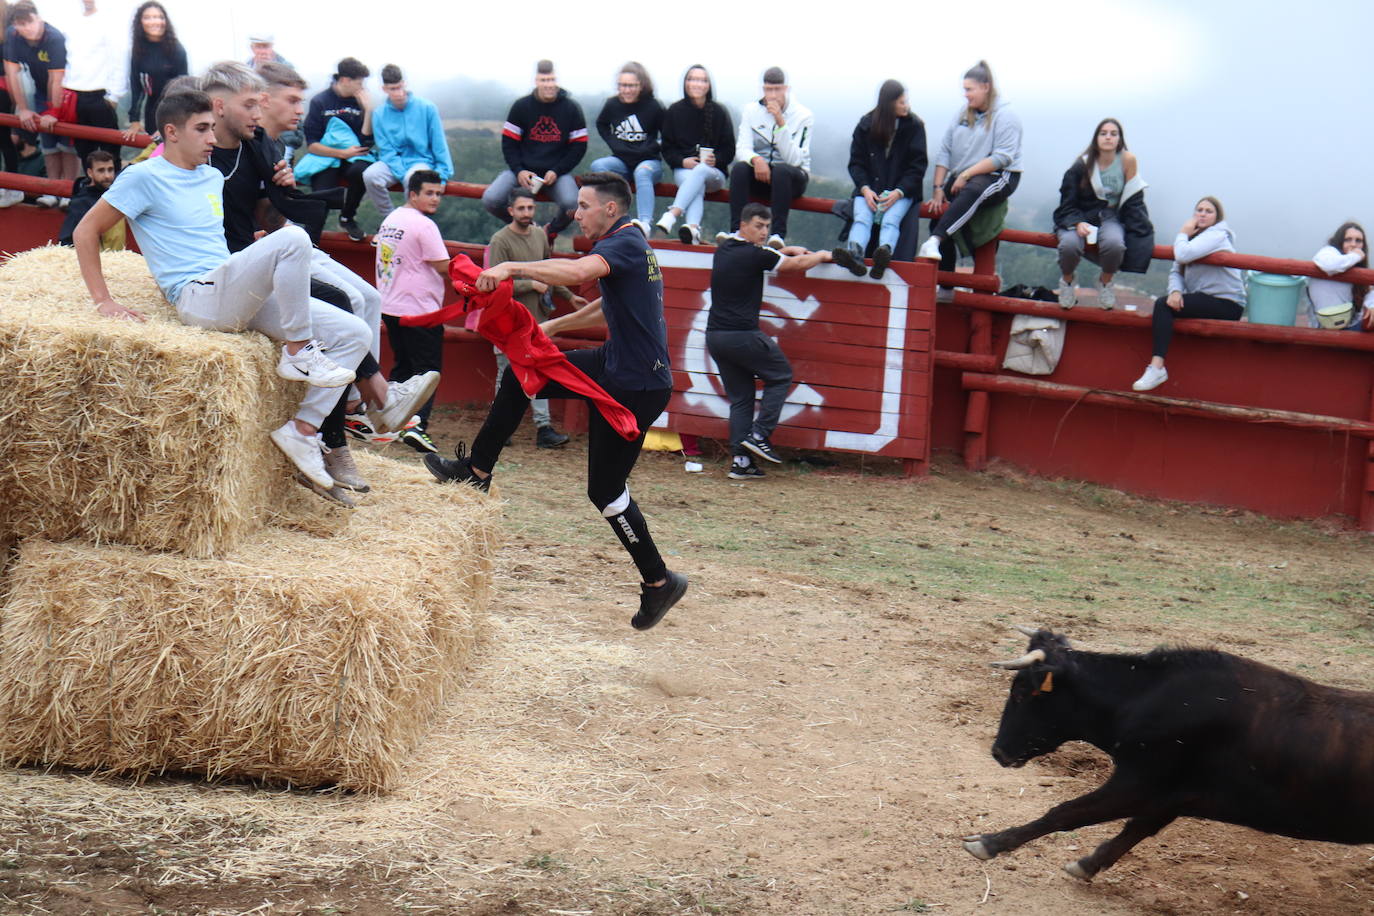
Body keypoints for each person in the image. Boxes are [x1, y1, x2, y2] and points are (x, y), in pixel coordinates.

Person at [72, 89, 370, 495]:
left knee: (356, 333)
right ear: (172, 132)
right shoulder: (143, 177)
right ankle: (299, 351)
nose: (212, 137)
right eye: (202, 129)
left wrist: (266, 233)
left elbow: (218, 239)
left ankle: (303, 429)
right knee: (296, 238)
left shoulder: (212, 175)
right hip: (197, 298)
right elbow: (85, 230)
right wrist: (103, 301)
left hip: (229, 289)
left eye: (213, 127)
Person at [429, 172, 688, 630]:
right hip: (617, 367)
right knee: (521, 374)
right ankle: (477, 472)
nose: (576, 212)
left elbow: (578, 273)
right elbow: (611, 305)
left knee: (605, 490)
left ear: (610, 208)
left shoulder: (623, 244)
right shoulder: (630, 244)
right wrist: (553, 328)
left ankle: (659, 582)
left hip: (635, 385)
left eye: (584, 205)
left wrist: (511, 268)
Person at [251, 61, 431, 481]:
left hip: (287, 241)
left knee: (370, 297)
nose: (301, 108)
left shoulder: (274, 148)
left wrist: (284, 192)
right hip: (265, 251)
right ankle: (354, 415)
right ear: (263, 100)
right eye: (293, 100)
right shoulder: (252, 146)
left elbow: (273, 212)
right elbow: (250, 217)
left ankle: (354, 399)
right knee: (344, 303)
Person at [709, 202, 832, 480]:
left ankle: (741, 462)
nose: (763, 231)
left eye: (766, 227)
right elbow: (796, 264)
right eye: (758, 226)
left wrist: (783, 251)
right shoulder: (755, 255)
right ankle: (760, 434)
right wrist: (823, 255)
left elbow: (767, 256)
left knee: (741, 399)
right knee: (781, 375)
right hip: (742, 335)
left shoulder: (724, 250)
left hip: (715, 337)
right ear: (743, 226)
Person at [487, 187, 583, 449]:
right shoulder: (500, 240)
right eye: (521, 208)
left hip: (537, 318)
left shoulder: (540, 235)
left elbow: (549, 271)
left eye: (530, 208)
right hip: (507, 320)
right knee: (506, 373)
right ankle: (500, 427)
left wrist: (569, 297)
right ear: (510, 211)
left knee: (538, 368)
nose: (527, 213)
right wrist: (531, 284)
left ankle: (543, 428)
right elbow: (495, 283)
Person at [919, 61, 1023, 301]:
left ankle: (935, 241)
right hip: (965, 172)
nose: (966, 95)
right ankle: (944, 284)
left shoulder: (1007, 115)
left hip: (999, 175)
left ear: (985, 87)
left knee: (973, 192)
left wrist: (966, 175)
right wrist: (937, 188)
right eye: (964, 90)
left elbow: (1002, 157)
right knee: (939, 211)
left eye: (970, 89)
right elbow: (945, 149)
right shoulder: (962, 114)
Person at [1131, 197, 1244, 391]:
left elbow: (1182, 254)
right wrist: (1175, 292)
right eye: (1199, 210)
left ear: (1217, 218)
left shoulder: (1217, 235)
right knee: (1166, 304)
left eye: (1209, 211)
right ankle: (1156, 368)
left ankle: (1157, 368)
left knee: (1161, 305)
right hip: (1205, 298)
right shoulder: (1194, 238)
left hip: (1227, 302)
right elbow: (1177, 269)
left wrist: (1183, 232)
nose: (1202, 213)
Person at [375, 169, 452, 453]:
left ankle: (387, 422)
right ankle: (416, 426)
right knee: (427, 372)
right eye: (429, 193)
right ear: (413, 194)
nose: (435, 199)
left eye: (438, 194)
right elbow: (443, 265)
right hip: (420, 308)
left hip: (391, 305)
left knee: (403, 366)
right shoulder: (424, 225)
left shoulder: (391, 219)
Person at [1052, 118, 1153, 309]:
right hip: (1080, 213)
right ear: (1096, 138)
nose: (1108, 137)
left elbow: (1133, 196)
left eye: (1113, 134)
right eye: (1103, 133)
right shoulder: (1081, 165)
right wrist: (1077, 222)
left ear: (1120, 139)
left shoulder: (1127, 160)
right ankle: (1067, 281)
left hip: (1110, 216)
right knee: (1069, 244)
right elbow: (1067, 200)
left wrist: (1140, 229)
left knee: (1115, 244)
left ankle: (1105, 282)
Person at [481, 59, 586, 241]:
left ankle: (550, 231)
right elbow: (509, 143)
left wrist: (557, 170)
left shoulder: (571, 108)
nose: (549, 85)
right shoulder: (521, 106)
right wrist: (519, 170)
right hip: (522, 170)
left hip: (556, 173)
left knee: (572, 204)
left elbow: (579, 146)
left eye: (552, 80)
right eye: (544, 81)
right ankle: (528, 228)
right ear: (536, 82)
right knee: (491, 199)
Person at [832, 79, 926, 281]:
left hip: (902, 192)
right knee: (862, 218)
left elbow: (917, 167)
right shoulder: (866, 126)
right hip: (869, 189)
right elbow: (856, 163)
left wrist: (899, 192)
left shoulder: (914, 127)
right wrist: (865, 189)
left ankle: (884, 253)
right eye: (901, 102)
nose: (906, 106)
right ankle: (854, 254)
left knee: (891, 221)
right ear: (889, 103)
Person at [725, 67, 812, 249]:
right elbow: (742, 148)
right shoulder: (751, 110)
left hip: (792, 177)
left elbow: (794, 160)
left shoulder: (803, 116)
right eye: (768, 90)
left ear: (786, 89)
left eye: (777, 90)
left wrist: (780, 122)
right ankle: (737, 231)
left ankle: (778, 235)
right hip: (761, 174)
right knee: (740, 169)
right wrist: (757, 160)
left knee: (781, 171)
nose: (772, 95)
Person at [655, 64, 734, 246]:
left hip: (714, 174)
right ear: (685, 83)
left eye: (702, 80)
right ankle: (693, 229)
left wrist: (717, 159)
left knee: (699, 172)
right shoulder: (674, 111)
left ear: (708, 85)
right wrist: (682, 161)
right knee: (694, 181)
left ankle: (672, 214)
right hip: (684, 169)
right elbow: (667, 148)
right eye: (692, 79)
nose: (697, 84)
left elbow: (730, 150)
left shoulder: (719, 112)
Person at [362, 63, 452, 222]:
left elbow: (439, 144)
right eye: (393, 89)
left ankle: (412, 224)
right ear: (385, 89)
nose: (398, 93)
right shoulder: (379, 114)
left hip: (422, 161)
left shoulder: (427, 108)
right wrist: (401, 172)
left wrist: (442, 176)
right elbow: (386, 149)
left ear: (404, 83)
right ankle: (391, 221)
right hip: (393, 163)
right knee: (370, 175)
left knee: (413, 180)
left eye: (399, 87)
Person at [3, 1, 78, 189]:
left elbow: (57, 79)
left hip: (68, 92)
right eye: (21, 24)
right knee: (48, 143)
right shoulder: (13, 35)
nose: (27, 28)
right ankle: (51, 189)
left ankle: (67, 189)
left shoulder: (54, 37)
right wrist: (23, 109)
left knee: (66, 143)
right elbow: (12, 73)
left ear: (39, 18)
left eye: (30, 22)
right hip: (41, 90)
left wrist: (54, 110)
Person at [300, 56, 374, 242]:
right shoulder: (320, 101)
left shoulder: (359, 101)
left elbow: (366, 142)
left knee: (362, 172)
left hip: (353, 159)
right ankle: (309, 244)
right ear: (344, 80)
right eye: (359, 82)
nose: (361, 87)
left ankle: (347, 217)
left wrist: (368, 111)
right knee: (321, 200)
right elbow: (312, 144)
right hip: (326, 158)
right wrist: (341, 153)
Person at [590, 61, 663, 235]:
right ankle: (609, 218)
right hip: (621, 161)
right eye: (622, 85)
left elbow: (667, 134)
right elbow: (602, 124)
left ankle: (644, 223)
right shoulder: (612, 104)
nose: (627, 90)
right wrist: (614, 143)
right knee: (598, 166)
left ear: (641, 85)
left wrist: (649, 148)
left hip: (649, 162)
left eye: (631, 85)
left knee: (642, 173)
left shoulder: (653, 106)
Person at [59, 0, 124, 167]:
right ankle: (90, 191)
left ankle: (113, 191)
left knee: (111, 152)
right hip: (74, 94)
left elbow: (119, 59)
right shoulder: (70, 20)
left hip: (100, 94)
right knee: (84, 152)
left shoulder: (109, 19)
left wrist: (114, 96)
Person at [124, 1, 186, 144]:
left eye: (159, 17)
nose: (155, 21)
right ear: (140, 22)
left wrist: (170, 122)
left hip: (174, 113)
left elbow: (183, 90)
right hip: (152, 112)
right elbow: (136, 87)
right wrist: (134, 120)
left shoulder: (176, 49)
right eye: (148, 17)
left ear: (165, 21)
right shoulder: (138, 49)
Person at [1306, 222, 1374, 331]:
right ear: (1339, 240)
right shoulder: (1328, 252)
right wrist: (1356, 255)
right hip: (1324, 327)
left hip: (1349, 325)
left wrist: (1372, 305)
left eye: (1358, 241)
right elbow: (1329, 265)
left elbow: (1368, 293)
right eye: (1348, 239)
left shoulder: (1354, 266)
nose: (1353, 244)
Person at [58, 149, 123, 248]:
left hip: (118, 259)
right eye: (101, 170)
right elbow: (66, 242)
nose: (107, 176)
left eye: (110, 169)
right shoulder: (80, 203)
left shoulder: (116, 193)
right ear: (90, 172)